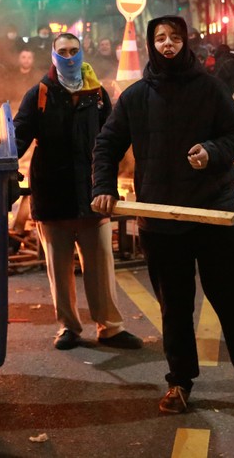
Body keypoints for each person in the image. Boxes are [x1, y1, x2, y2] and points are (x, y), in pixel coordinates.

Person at [91, 16, 234, 414]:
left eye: (175, 37)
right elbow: (107, 144)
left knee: (233, 301)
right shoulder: (135, 97)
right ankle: (179, 383)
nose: (167, 44)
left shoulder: (211, 89)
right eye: (160, 38)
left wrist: (211, 152)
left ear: (185, 42)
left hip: (213, 214)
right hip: (162, 222)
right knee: (174, 308)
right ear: (152, 44)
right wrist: (103, 188)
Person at [13, 32, 143, 352]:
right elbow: (17, 139)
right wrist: (4, 170)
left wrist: (110, 183)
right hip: (52, 195)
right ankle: (68, 327)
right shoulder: (40, 94)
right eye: (63, 51)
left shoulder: (96, 94)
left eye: (74, 50)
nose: (69, 57)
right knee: (59, 268)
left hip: (92, 194)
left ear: (82, 53)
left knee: (100, 265)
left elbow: (112, 141)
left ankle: (110, 327)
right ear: (53, 56)